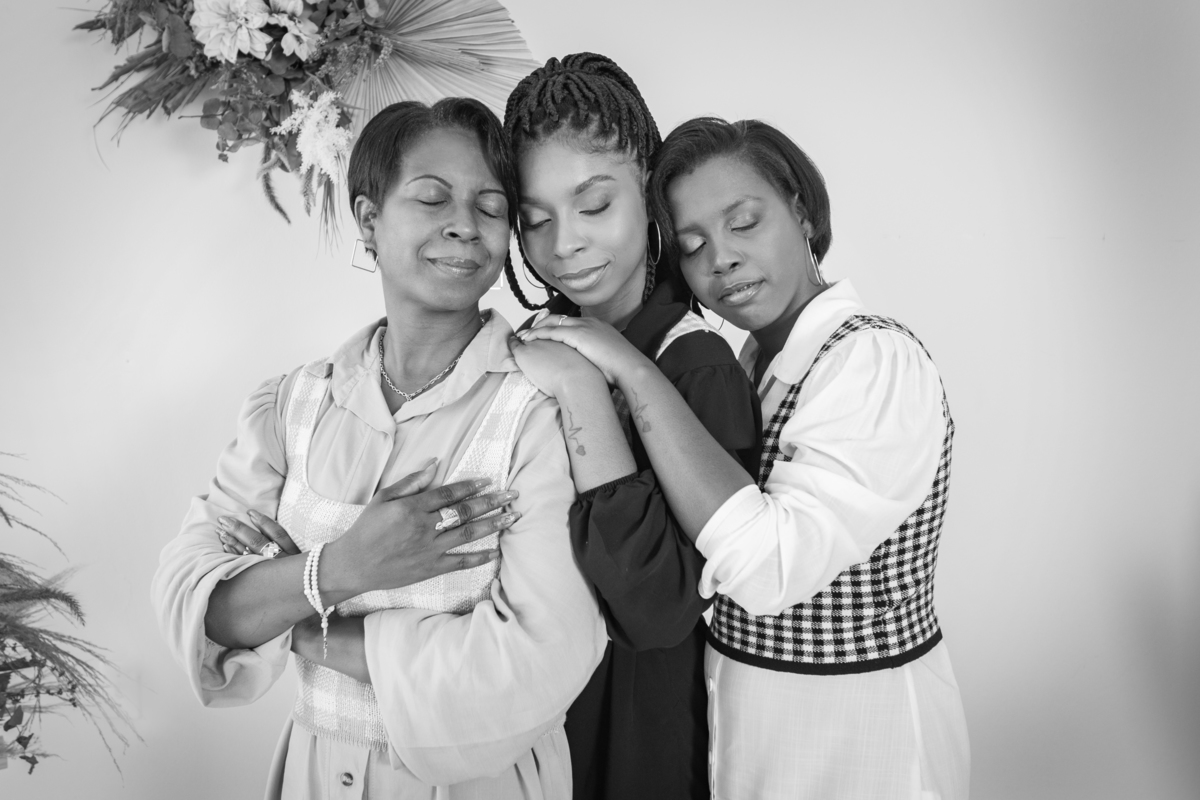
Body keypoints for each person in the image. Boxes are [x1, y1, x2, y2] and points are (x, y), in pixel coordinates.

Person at [151, 98, 607, 800]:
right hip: (312, 775)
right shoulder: (291, 405)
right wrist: (341, 568)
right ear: (368, 219)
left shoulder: (540, 411)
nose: (465, 224)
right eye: (432, 198)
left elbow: (544, 658)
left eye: (491, 207)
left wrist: (301, 625)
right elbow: (193, 599)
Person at [518, 116, 971, 799]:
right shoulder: (763, 360)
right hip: (745, 732)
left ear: (800, 208)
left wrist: (632, 371)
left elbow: (767, 568)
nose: (720, 259)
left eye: (744, 222)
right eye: (693, 245)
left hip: (858, 736)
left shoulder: (874, 359)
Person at [501, 54, 760, 800]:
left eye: (593, 205)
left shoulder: (697, 366)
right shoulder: (532, 345)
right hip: (529, 721)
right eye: (535, 219)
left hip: (634, 738)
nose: (565, 244)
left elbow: (659, 610)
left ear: (647, 190)